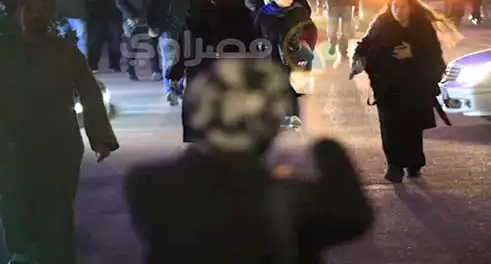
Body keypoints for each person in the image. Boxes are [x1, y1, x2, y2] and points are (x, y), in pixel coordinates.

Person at [126, 59, 373, 264]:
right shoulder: (295, 199)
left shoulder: (146, 184)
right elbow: (354, 216)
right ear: (272, 124)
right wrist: (322, 138)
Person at [0, 0, 119, 264]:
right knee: (11, 199)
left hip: (57, 140)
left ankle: (59, 255)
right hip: (7, 139)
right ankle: (20, 250)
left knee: (56, 205)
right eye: (30, 10)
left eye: (42, 11)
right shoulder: (1, 48)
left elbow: (89, 92)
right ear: (18, 14)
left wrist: (100, 137)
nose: (36, 16)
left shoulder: (65, 51)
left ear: (51, 15)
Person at [350, 0, 447, 183]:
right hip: (387, 85)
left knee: (412, 125)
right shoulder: (381, 24)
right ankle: (394, 165)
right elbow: (365, 45)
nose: (398, 10)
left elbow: (434, 53)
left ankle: (414, 163)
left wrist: (414, 53)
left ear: (411, 8)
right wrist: (359, 60)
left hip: (415, 84)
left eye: (402, 6)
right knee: (390, 126)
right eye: (394, 6)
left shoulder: (422, 27)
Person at [170, 0, 257, 142]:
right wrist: (176, 71)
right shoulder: (196, 13)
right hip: (200, 64)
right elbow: (185, 43)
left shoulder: (239, 13)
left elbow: (249, 40)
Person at [255, 0, 317, 127]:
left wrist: (307, 47)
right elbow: (256, 30)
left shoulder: (298, 11)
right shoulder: (265, 11)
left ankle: (292, 115)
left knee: (291, 85)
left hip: (293, 53)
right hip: (272, 54)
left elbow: (311, 30)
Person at [148, 0, 192, 106]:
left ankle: (179, 87)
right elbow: (151, 8)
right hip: (168, 30)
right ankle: (169, 90)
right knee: (170, 60)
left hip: (188, 30)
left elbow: (201, 7)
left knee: (186, 61)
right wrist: (153, 26)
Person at [116, 0, 163, 81]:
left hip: (149, 19)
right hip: (133, 20)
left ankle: (155, 70)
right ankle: (130, 70)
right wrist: (130, 16)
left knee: (153, 44)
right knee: (132, 46)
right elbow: (120, 2)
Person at [87, 0, 125, 72]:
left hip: (113, 13)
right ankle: (93, 64)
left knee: (115, 39)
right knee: (94, 40)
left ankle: (115, 63)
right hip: (96, 14)